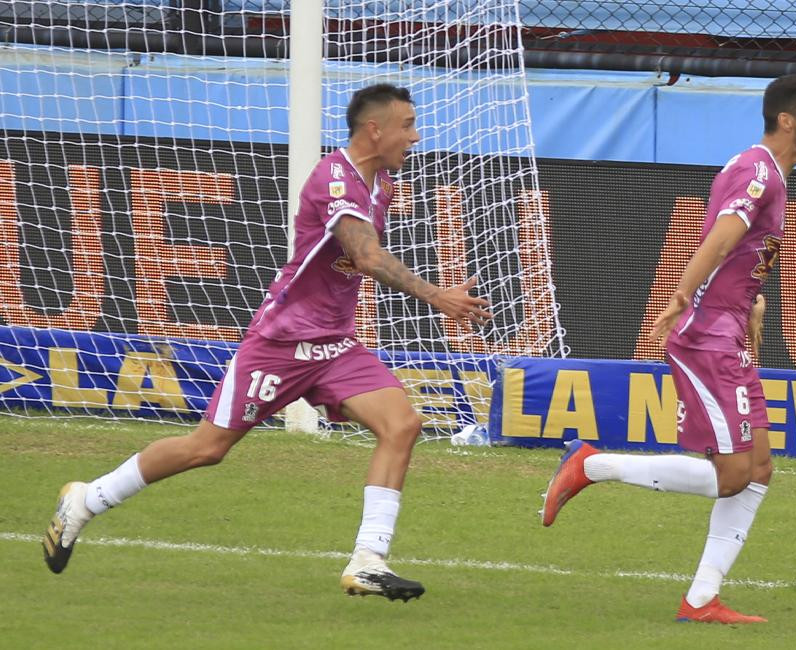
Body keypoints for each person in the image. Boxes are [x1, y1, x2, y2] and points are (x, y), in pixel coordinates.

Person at [42, 83, 493, 602]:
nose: (415, 136)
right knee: (205, 449)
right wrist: (437, 295)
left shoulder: (382, 183)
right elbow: (366, 257)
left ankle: (369, 560)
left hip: (334, 346)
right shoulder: (336, 180)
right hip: (281, 343)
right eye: (408, 125)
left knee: (402, 424)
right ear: (376, 129)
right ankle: (86, 499)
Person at [540, 74, 796, 623]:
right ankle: (591, 465)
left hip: (728, 328)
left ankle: (701, 599)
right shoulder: (757, 171)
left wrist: (752, 302)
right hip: (706, 334)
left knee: (761, 467)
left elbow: (741, 251)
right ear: (789, 120)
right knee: (732, 475)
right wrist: (680, 296)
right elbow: (723, 235)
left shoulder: (769, 174)